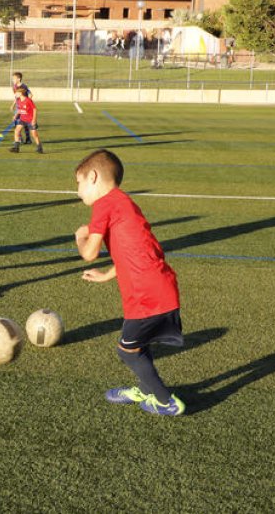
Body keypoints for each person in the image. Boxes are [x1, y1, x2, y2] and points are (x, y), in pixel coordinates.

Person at [74, 149, 185, 416]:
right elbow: (140, 251)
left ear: (93, 176)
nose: (78, 192)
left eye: (78, 184)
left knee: (128, 351)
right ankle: (147, 390)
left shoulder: (105, 203)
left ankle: (165, 401)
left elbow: (89, 253)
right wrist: (107, 275)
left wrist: (79, 235)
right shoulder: (124, 203)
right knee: (138, 345)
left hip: (146, 295)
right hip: (157, 289)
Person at [9, 85, 44, 154]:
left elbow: (35, 109)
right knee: (16, 131)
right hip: (22, 119)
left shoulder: (28, 100)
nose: (15, 95)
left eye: (16, 93)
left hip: (30, 120)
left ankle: (40, 148)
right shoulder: (18, 101)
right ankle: (16, 148)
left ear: (20, 93)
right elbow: (19, 109)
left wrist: (34, 119)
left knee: (34, 135)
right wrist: (15, 116)